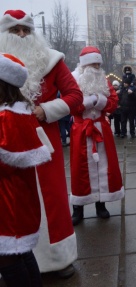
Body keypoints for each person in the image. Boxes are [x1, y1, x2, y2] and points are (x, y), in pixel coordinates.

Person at [0, 9, 82, 278]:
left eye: (26, 29)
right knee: (8, 199)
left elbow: (74, 96)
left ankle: (55, 260)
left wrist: (45, 110)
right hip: (4, 140)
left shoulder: (51, 60)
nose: (22, 35)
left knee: (51, 198)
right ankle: (9, 258)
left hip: (43, 142)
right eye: (15, 30)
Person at [0, 53, 52, 287]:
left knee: (9, 259)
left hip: (7, 201)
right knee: (21, 251)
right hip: (20, 198)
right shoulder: (19, 112)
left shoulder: (5, 117)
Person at [70, 46, 124, 225]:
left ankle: (101, 204)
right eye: (93, 63)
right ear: (85, 64)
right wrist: (88, 102)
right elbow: (69, 104)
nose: (96, 67)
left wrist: (99, 101)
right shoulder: (73, 80)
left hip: (101, 128)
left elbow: (113, 103)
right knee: (80, 169)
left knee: (103, 166)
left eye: (98, 64)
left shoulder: (104, 80)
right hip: (81, 130)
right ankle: (78, 208)